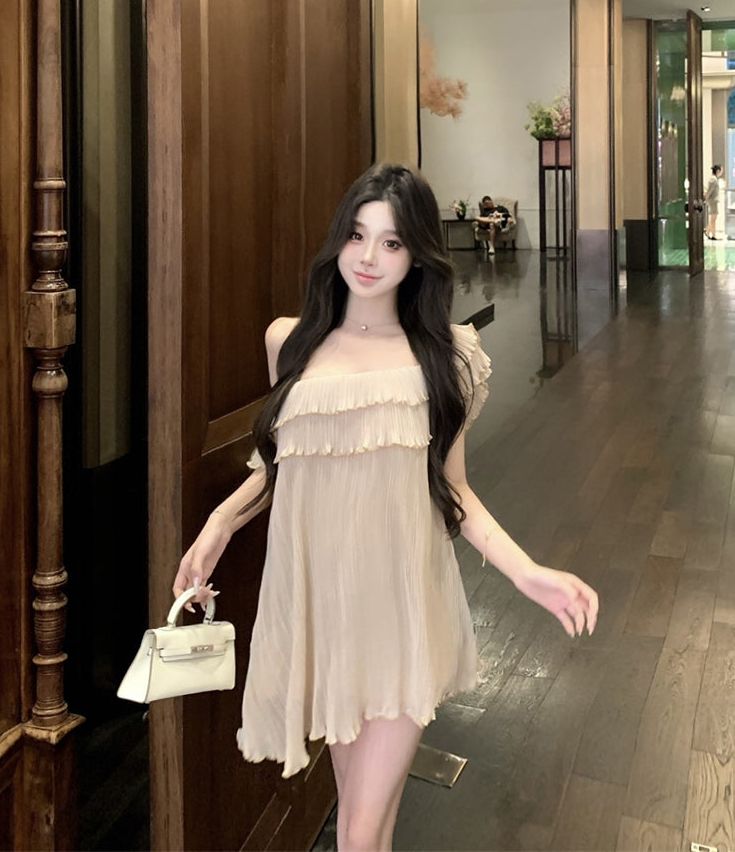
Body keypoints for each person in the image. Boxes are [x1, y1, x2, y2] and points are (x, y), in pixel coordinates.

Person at [173, 163, 598, 852]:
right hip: (324, 612)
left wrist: (529, 574)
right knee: (368, 820)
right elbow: (285, 462)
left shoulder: (446, 357)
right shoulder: (290, 341)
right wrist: (221, 520)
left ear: (418, 254)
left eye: (392, 242)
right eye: (357, 235)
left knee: (357, 832)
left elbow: (454, 491)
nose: (368, 257)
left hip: (403, 613)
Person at [705, 165, 722, 240]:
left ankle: (707, 232)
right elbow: (710, 190)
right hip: (712, 201)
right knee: (713, 219)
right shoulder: (713, 179)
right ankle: (713, 235)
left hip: (713, 200)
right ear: (717, 171)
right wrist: (706, 198)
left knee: (712, 218)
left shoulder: (714, 179)